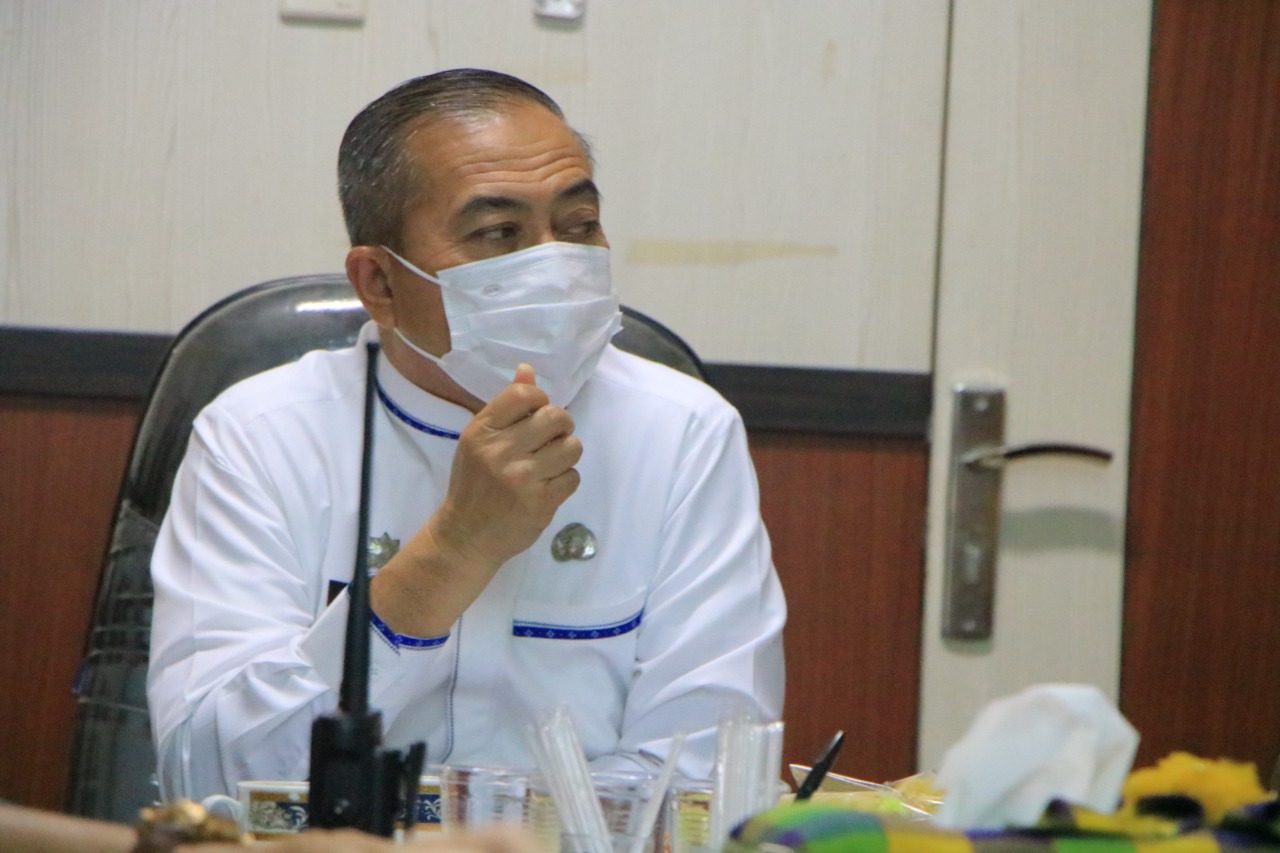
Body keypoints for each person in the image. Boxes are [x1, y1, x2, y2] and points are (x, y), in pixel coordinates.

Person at [147, 68, 786, 801]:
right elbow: (207, 772)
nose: (555, 264)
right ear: (379, 283)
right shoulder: (260, 436)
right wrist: (450, 552)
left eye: (579, 225)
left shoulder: (682, 431)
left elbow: (709, 776)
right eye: (499, 233)